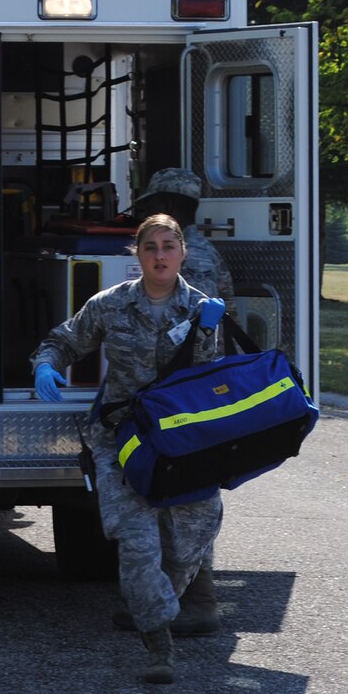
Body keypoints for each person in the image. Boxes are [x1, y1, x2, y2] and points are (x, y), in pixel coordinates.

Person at [31, 213, 224, 685]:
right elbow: (62, 341)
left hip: (182, 441)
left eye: (168, 246)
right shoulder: (111, 304)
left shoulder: (202, 310)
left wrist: (210, 331)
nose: (159, 256)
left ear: (182, 253)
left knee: (188, 543)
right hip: (124, 441)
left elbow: (214, 378)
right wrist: (45, 365)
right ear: (136, 254)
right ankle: (159, 646)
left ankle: (155, 605)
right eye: (150, 247)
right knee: (138, 544)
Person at [123, 167, 237, 637]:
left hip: (177, 395)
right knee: (183, 495)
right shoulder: (205, 252)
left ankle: (198, 602)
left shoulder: (164, 254)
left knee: (183, 499)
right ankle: (170, 601)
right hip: (199, 391)